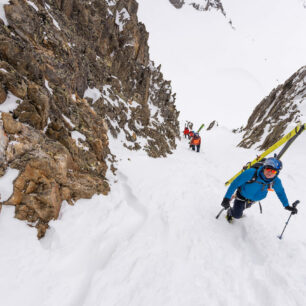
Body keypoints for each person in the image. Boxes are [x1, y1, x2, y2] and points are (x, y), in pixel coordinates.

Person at [220, 157, 297, 223]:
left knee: (245, 207)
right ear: (264, 168)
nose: (269, 173)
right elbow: (235, 184)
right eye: (268, 169)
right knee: (237, 215)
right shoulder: (251, 173)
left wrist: (286, 205)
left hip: (253, 199)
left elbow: (280, 192)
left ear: (277, 173)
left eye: (273, 171)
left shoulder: (276, 181)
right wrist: (226, 198)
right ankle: (230, 212)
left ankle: (241, 207)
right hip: (242, 195)